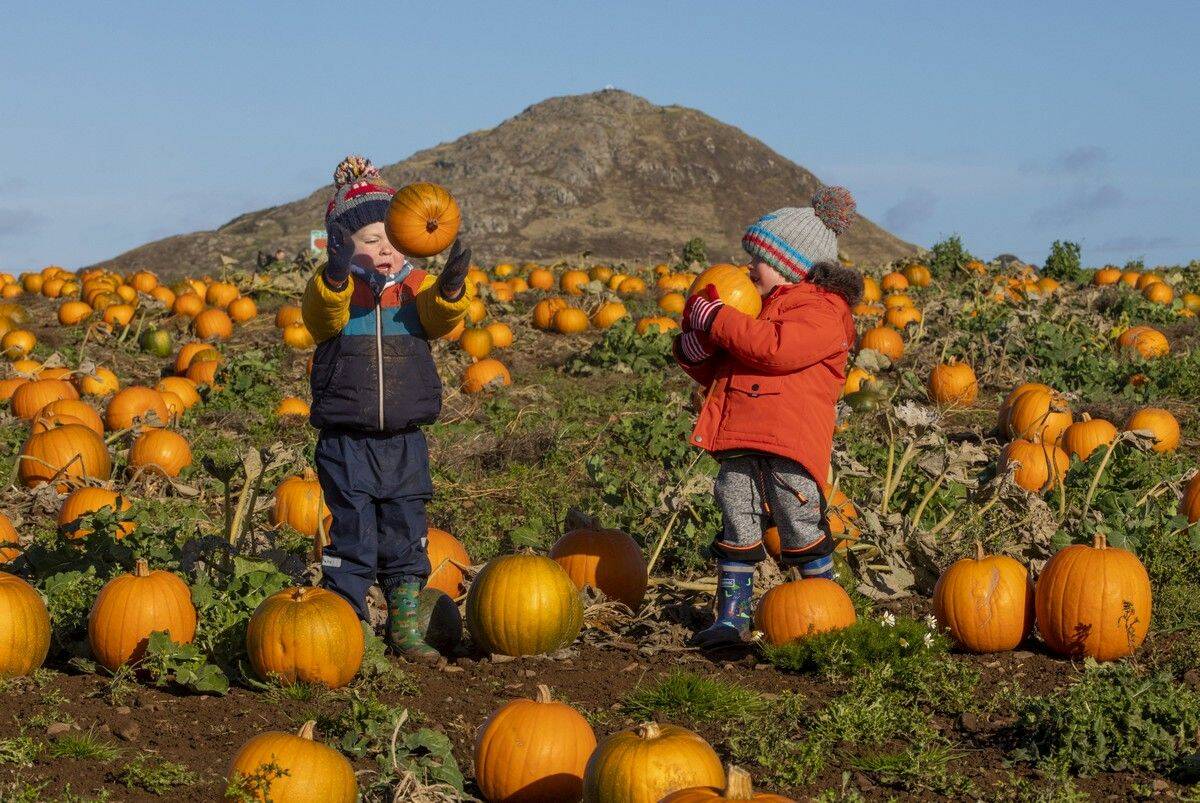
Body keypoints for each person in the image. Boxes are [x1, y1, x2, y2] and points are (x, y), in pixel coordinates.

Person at [674, 186, 864, 647]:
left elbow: (773, 351)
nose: (746, 268)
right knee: (736, 517)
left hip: (788, 445)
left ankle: (826, 604)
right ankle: (731, 615)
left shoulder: (822, 313)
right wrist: (697, 352)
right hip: (741, 438)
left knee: (798, 522)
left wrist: (718, 319)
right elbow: (732, 371)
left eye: (755, 258)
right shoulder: (759, 311)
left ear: (788, 263)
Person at [301, 155, 473, 662]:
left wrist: (451, 288)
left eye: (394, 241)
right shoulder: (338, 292)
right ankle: (345, 629)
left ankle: (404, 628)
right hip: (346, 438)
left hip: (403, 438)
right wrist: (334, 275)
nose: (385, 251)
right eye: (372, 240)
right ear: (343, 244)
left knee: (405, 531)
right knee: (352, 534)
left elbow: (441, 321)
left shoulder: (413, 290)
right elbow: (319, 314)